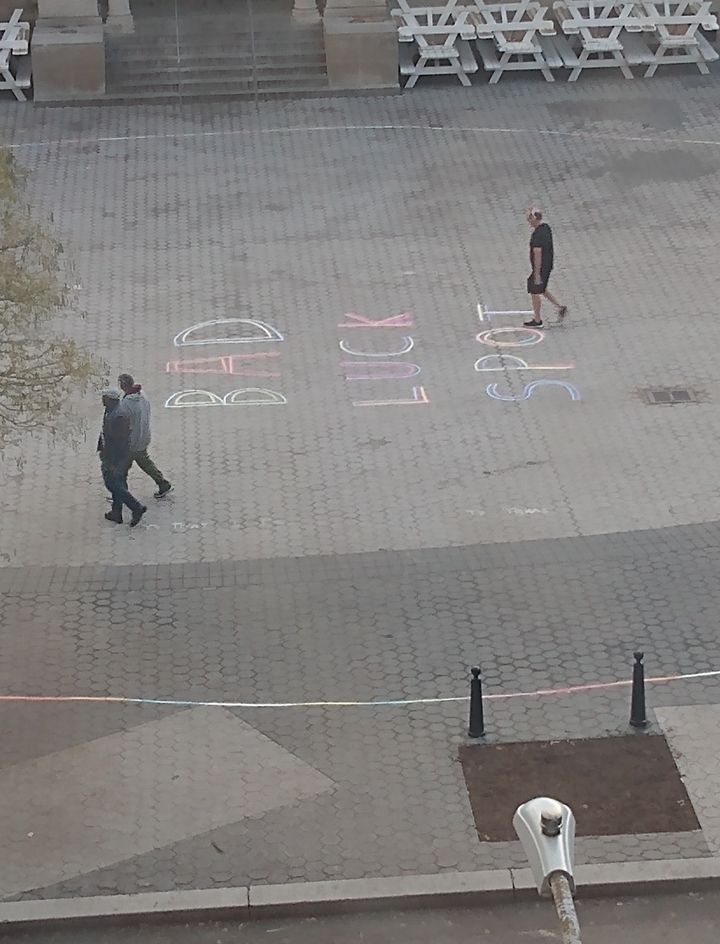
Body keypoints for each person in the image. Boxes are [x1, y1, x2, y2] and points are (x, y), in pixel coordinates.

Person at [117, 373, 173, 499]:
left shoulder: (126, 404)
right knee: (144, 462)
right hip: (143, 436)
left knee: (121, 467)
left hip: (132, 442)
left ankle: (121, 492)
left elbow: (123, 423)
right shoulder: (142, 396)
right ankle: (163, 484)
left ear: (123, 386)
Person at [97, 387, 147, 527]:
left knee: (113, 484)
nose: (102, 401)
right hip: (111, 455)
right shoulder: (111, 411)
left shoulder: (119, 416)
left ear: (110, 399)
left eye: (104, 398)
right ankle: (116, 512)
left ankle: (136, 507)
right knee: (117, 483)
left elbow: (120, 442)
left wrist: (114, 461)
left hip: (116, 458)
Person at [523, 207, 568, 328]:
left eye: (530, 218)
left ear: (535, 218)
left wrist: (536, 273)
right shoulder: (546, 228)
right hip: (548, 265)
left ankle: (537, 320)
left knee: (534, 290)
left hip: (541, 268)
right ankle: (560, 307)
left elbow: (537, 254)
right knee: (541, 289)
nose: (528, 221)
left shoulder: (537, 236)